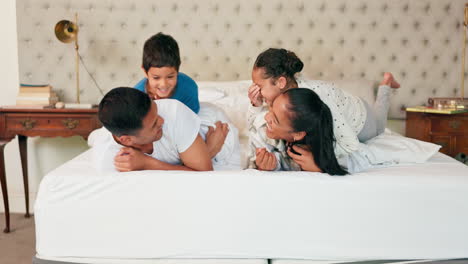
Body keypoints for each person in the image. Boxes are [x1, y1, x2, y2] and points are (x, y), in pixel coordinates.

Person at [247, 48, 400, 172]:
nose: (254, 91)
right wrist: (256, 105)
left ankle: (385, 86)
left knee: (379, 128)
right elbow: (259, 127)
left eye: (259, 87)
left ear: (280, 82)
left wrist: (319, 162)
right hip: (347, 103)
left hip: (360, 118)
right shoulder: (283, 96)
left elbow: (350, 144)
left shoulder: (317, 99)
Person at [93, 87, 232, 172]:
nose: (162, 121)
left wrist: (147, 163)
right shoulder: (108, 159)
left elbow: (204, 174)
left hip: (215, 128)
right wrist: (208, 152)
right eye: (154, 124)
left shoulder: (174, 113)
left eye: (157, 112)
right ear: (127, 140)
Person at [258, 88, 347, 175]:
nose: (266, 117)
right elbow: (280, 160)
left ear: (297, 134)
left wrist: (319, 170)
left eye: (275, 120)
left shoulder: (338, 152)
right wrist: (268, 165)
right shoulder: (268, 132)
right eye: (271, 108)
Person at [134, 32, 200, 113]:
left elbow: (193, 120)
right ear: (145, 71)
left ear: (177, 70)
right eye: (156, 78)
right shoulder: (136, 96)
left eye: (170, 77)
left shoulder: (188, 88)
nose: (163, 84)